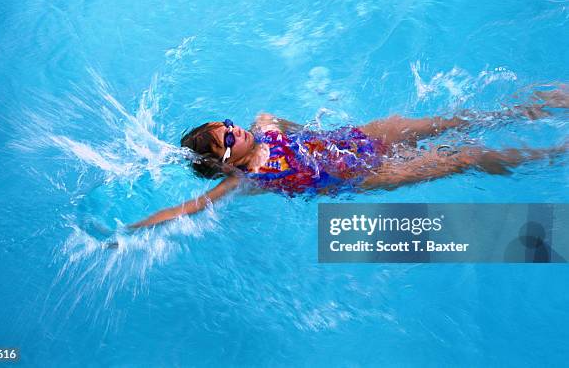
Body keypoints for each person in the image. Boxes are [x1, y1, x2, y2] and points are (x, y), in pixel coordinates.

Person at [129, 87, 568, 229]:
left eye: (223, 122)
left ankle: (541, 105)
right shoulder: (248, 178)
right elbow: (187, 208)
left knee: (457, 121)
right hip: (371, 173)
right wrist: (132, 229)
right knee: (466, 157)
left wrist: (306, 132)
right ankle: (552, 153)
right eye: (225, 135)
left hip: (363, 137)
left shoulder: (263, 128)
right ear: (226, 159)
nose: (232, 126)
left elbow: (281, 120)